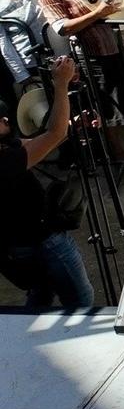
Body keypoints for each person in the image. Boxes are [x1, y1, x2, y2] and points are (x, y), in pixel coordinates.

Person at [0, 55, 93, 310]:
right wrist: (60, 85)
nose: (7, 120)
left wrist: (71, 124)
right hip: (43, 241)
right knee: (80, 302)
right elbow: (53, 134)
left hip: (16, 245)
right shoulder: (4, 161)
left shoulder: (6, 149)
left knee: (41, 295)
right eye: (0, 120)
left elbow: (43, 140)